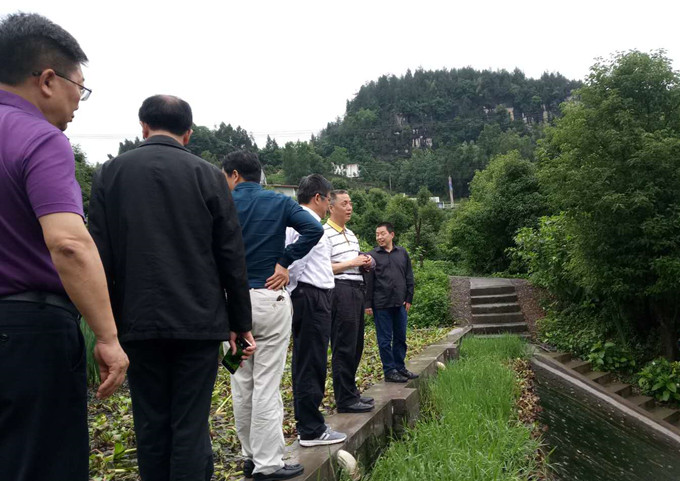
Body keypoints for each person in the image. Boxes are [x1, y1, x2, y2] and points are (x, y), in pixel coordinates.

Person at [88, 95, 255, 481]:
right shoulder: (209, 175)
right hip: (198, 323)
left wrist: (105, 328)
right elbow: (231, 255)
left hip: (136, 322)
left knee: (150, 423)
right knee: (189, 425)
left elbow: (98, 256)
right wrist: (240, 323)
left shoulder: (110, 173)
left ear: (143, 127)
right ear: (188, 134)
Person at [0, 13, 129, 481]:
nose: (79, 102)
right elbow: (70, 243)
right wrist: (108, 338)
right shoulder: (40, 139)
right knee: (41, 462)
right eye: (80, 87)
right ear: (48, 80)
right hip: (26, 332)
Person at [222, 151, 323, 480]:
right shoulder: (278, 201)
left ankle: (250, 457)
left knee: (241, 382)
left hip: (229, 306)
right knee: (266, 384)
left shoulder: (220, 203)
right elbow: (314, 229)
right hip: (269, 299)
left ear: (234, 175)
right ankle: (268, 464)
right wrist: (285, 261)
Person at [286, 174, 347, 447]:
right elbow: (295, 263)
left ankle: (310, 424)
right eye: (328, 199)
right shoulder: (306, 222)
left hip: (312, 296)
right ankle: (311, 429)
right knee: (311, 362)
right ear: (318, 197)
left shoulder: (300, 220)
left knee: (310, 360)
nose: (328, 205)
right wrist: (296, 292)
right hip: (310, 296)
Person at [325, 190, 375, 413]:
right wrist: (351, 263)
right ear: (331, 207)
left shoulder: (351, 234)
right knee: (343, 345)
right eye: (344, 203)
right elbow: (322, 267)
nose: (349, 207)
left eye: (350, 203)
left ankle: (351, 393)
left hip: (357, 289)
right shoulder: (323, 233)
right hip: (340, 290)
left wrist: (365, 263)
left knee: (356, 345)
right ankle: (344, 399)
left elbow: (353, 263)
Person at [365, 223, 418, 383]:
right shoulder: (372, 256)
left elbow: (409, 275)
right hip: (381, 304)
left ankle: (400, 367)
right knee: (385, 340)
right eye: (377, 234)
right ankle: (389, 371)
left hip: (400, 303)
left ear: (392, 235)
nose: (379, 237)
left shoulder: (402, 252)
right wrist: (367, 303)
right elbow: (368, 281)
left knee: (401, 337)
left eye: (382, 233)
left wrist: (409, 297)